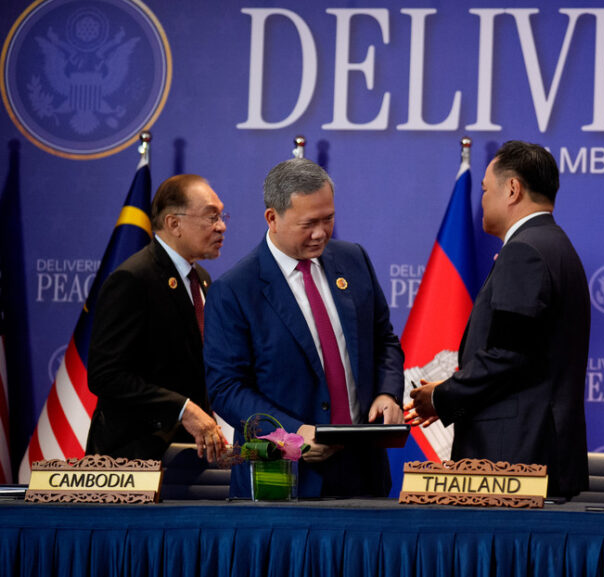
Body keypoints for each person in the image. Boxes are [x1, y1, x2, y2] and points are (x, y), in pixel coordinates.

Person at [204, 158, 404, 498]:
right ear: (272, 218)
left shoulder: (353, 259)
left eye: (328, 219)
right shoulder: (235, 290)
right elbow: (226, 388)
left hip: (363, 469)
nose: (321, 233)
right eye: (308, 223)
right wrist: (292, 434)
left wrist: (388, 392)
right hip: (282, 476)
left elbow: (384, 340)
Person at [406, 140, 591, 499]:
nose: (483, 200)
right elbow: (526, 352)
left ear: (512, 189)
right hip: (537, 452)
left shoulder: (524, 251)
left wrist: (442, 396)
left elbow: (508, 354)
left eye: (485, 189)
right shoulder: (556, 245)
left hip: (513, 457)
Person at [87, 174, 229, 463]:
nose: (221, 226)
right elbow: (106, 376)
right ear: (174, 224)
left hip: (187, 453)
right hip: (134, 457)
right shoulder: (133, 278)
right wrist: (183, 409)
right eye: (211, 217)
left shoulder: (200, 279)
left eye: (221, 216)